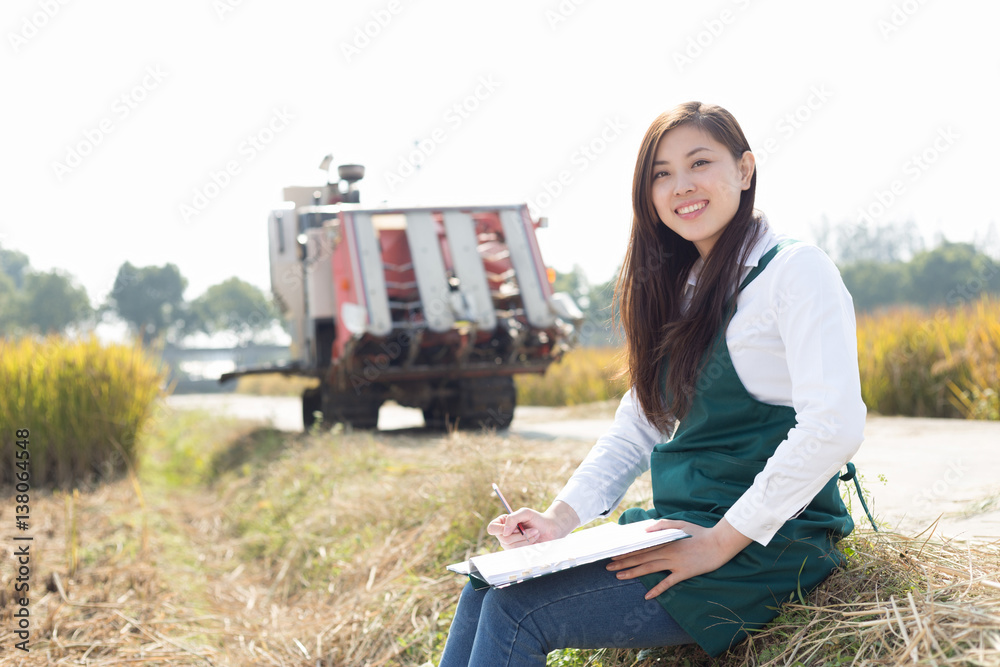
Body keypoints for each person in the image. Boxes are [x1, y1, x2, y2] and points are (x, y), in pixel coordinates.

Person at [438, 101, 866, 665]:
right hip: (684, 529)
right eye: (661, 173)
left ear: (744, 170)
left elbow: (833, 426)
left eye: (699, 163)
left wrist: (718, 542)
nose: (681, 186)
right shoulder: (682, 284)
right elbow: (638, 426)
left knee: (518, 612)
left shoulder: (795, 271)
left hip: (765, 544)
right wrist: (557, 521)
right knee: (487, 589)